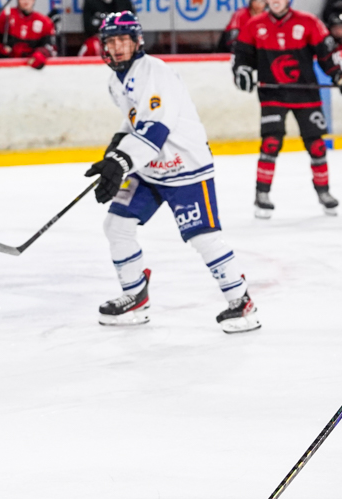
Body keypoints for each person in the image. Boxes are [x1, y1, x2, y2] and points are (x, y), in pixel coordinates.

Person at [86, 12, 260, 333]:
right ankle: (135, 295)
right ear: (104, 46)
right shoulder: (116, 81)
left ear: (137, 42)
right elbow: (134, 123)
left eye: (124, 40)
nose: (119, 47)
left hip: (186, 168)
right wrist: (113, 155)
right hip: (150, 169)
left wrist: (121, 162)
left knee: (203, 236)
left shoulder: (155, 72)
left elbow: (155, 129)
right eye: (112, 41)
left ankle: (241, 303)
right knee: (116, 225)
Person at [233, 0, 342, 219]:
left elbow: (327, 54)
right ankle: (262, 194)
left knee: (317, 145)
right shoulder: (254, 25)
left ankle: (324, 191)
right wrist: (241, 71)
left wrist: (339, 76)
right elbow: (242, 56)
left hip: (305, 92)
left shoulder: (309, 22)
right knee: (270, 143)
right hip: (273, 94)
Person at [0, 0, 56, 69]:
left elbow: (50, 47)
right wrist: (0, 48)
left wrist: (42, 53)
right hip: (5, 68)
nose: (26, 1)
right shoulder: (5, 16)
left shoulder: (44, 22)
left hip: (31, 69)